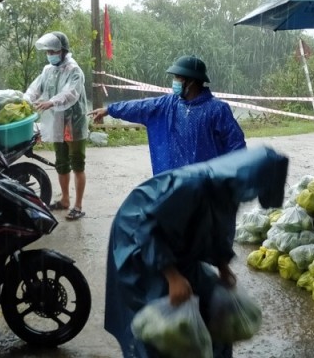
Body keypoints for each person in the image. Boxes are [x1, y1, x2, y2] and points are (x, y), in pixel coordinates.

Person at [104, 147, 289, 358]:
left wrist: (223, 266)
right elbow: (149, 230)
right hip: (136, 237)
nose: (252, 196)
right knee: (160, 316)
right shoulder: (192, 185)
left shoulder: (228, 190)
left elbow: (219, 228)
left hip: (175, 241)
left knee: (202, 299)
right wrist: (172, 276)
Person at [88, 55, 246, 176]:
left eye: (178, 78)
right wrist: (110, 110)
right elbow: (140, 107)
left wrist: (235, 181)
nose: (174, 81)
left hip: (209, 188)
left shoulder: (217, 110)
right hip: (175, 185)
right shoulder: (168, 105)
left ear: (191, 82)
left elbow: (236, 147)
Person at [25, 31, 90, 220]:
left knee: (77, 163)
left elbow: (70, 93)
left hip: (74, 123)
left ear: (63, 50)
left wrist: (51, 102)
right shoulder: (48, 71)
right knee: (61, 163)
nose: (50, 54)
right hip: (57, 123)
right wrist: (24, 100)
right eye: (48, 51)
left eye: (54, 51)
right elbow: (35, 88)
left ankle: (77, 205)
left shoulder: (74, 70)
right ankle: (65, 200)